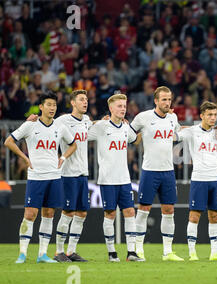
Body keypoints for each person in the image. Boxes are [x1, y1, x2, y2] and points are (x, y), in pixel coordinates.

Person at [4, 91, 77, 263]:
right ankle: (22, 254)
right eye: (49, 105)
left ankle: (42, 254)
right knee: (30, 214)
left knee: (49, 213)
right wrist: (25, 158)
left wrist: (63, 157)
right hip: (36, 176)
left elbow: (73, 144)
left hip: (54, 176)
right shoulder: (30, 125)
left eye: (54, 105)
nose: (52, 108)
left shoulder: (60, 127)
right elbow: (8, 141)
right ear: (41, 107)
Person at [130, 86, 183, 262]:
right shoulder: (143, 117)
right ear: (156, 101)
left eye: (169, 99)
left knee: (169, 210)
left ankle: (167, 252)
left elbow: (179, 133)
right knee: (143, 210)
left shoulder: (173, 118)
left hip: (168, 171)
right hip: (149, 171)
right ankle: (138, 250)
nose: (167, 103)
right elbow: (129, 134)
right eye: (164, 99)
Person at [88, 93, 143, 262]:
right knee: (110, 214)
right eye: (119, 106)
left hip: (124, 179)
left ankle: (131, 252)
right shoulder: (102, 127)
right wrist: (97, 121)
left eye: (124, 106)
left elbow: (135, 140)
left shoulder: (126, 127)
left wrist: (144, 129)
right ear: (111, 108)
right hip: (107, 180)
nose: (123, 109)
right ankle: (112, 253)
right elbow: (84, 131)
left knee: (129, 212)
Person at [176, 101, 217, 261]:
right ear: (201, 116)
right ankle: (192, 253)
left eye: (215, 115)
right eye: (210, 115)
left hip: (215, 179)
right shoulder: (192, 131)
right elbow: (175, 135)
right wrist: (175, 124)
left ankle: (215, 253)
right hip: (199, 179)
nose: (213, 118)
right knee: (194, 216)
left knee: (215, 216)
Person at [53, 90, 91, 262]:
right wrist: (34, 120)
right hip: (68, 173)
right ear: (73, 103)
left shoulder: (87, 120)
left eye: (86, 99)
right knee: (68, 212)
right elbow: (46, 124)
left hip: (83, 173)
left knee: (81, 213)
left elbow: (93, 126)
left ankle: (71, 251)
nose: (85, 102)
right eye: (81, 100)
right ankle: (59, 251)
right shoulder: (63, 120)